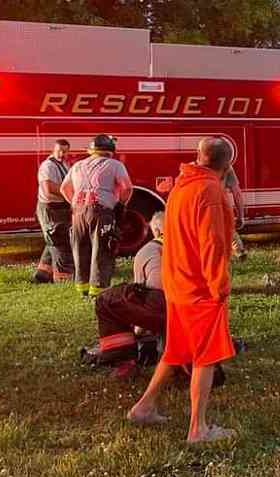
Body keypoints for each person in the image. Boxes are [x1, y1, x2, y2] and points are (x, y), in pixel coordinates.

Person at [128, 136, 237, 443]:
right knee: (206, 354)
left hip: (177, 282)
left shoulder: (182, 185)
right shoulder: (210, 190)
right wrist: (219, 286)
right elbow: (212, 244)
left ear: (198, 157)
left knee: (178, 349)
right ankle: (198, 428)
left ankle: (144, 407)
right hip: (200, 286)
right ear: (227, 164)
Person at [92, 211, 167, 373]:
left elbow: (143, 294)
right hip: (194, 310)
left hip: (163, 307)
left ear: (157, 231)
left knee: (107, 299)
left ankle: (123, 362)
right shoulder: (189, 244)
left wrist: (138, 332)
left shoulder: (149, 250)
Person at [60, 134, 133, 299]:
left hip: (78, 212)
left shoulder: (77, 165)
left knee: (80, 248)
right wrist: (120, 205)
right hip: (101, 211)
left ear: (91, 150)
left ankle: (82, 289)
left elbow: (64, 188)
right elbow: (127, 188)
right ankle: (99, 291)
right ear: (110, 150)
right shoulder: (115, 165)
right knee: (102, 249)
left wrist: (74, 203)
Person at [32, 139, 74, 284]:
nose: (62, 154)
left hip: (60, 207)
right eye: (59, 151)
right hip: (49, 208)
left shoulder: (64, 165)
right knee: (58, 242)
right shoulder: (48, 166)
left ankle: (42, 275)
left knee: (53, 240)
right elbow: (48, 190)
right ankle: (63, 278)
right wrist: (70, 194)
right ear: (53, 150)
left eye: (65, 151)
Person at [224, 164, 247, 260]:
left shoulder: (193, 169)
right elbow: (236, 193)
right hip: (220, 207)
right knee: (229, 230)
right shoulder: (225, 167)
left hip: (198, 209)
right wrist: (240, 216)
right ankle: (239, 251)